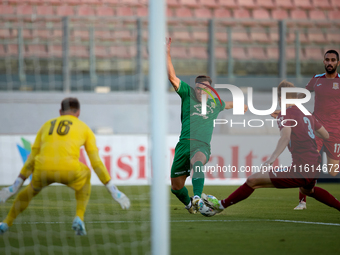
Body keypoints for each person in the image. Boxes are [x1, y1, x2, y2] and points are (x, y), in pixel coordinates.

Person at [203, 80, 340, 214]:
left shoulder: (285, 114)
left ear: (280, 97)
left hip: (302, 167)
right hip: (315, 164)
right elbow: (326, 135)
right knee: (307, 191)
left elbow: (285, 137)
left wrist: (271, 159)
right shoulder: (307, 114)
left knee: (253, 180)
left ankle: (220, 206)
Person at [0, 98, 130, 235]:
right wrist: (113, 190)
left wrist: (14, 186)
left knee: (29, 191)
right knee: (86, 174)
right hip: (70, 170)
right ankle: (79, 217)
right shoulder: (84, 128)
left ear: (60, 112)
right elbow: (96, 162)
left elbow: (31, 158)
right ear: (78, 112)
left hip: (43, 170)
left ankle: (6, 222)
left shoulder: (45, 126)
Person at [166, 37, 247, 213]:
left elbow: (232, 104)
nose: (201, 90)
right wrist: (167, 52)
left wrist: (262, 109)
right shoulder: (187, 95)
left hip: (201, 145)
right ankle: (190, 205)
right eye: (199, 87)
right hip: (183, 144)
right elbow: (172, 77)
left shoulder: (215, 103)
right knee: (176, 187)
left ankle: (197, 197)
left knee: (198, 162)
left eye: (205, 88)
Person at [272, 50, 340, 210]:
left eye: (333, 60)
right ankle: (302, 201)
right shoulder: (316, 79)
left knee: (333, 172)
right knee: (307, 163)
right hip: (316, 126)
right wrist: (287, 107)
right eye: (327, 60)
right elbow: (302, 96)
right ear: (324, 62)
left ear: (338, 62)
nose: (329, 63)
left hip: (336, 130)